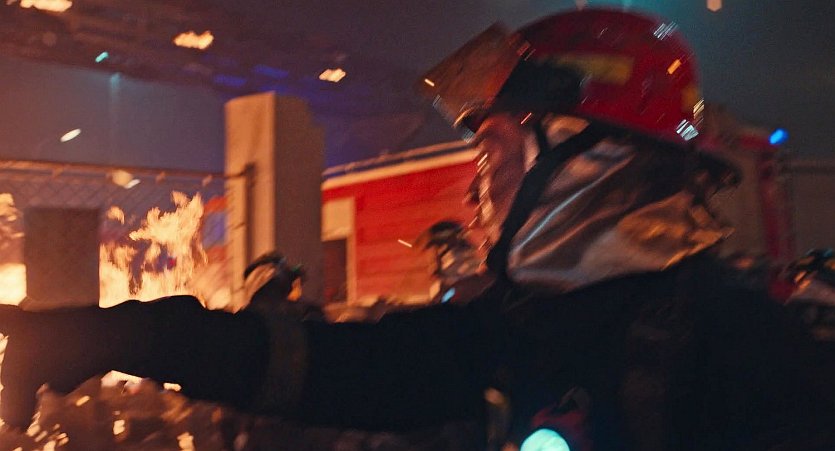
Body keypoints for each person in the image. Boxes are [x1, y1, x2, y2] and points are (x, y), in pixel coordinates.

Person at [1, 8, 834, 450]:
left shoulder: (742, 345)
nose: (476, 185)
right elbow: (328, 365)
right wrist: (123, 334)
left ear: (592, 156)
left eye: (497, 149)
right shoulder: (510, 324)